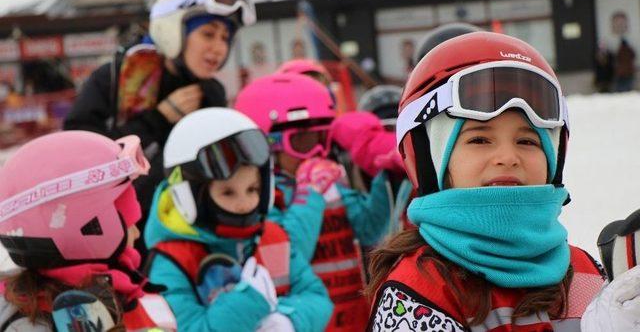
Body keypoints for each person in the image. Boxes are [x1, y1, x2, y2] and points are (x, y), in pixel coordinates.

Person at [366, 32, 605, 331]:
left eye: (528, 141)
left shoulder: (584, 271)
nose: (507, 157)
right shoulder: (420, 290)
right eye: (479, 139)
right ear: (431, 158)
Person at [63, 0, 256, 245]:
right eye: (208, 34)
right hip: (126, 234)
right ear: (173, 30)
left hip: (193, 233)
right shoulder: (115, 79)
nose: (218, 47)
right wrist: (158, 119)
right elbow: (80, 156)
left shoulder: (211, 92)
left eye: (226, 37)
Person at [143, 107, 332, 331]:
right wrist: (249, 302)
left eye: (252, 189)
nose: (244, 203)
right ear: (191, 195)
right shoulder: (172, 260)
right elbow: (187, 327)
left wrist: (289, 321)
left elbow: (317, 298)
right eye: (228, 192)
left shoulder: (271, 237)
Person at [235, 73, 391, 331]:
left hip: (353, 317)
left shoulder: (329, 183)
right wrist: (310, 194)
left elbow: (369, 229)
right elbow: (287, 255)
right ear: (267, 144)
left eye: (322, 139)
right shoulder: (262, 196)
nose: (318, 152)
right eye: (304, 142)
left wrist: (385, 177)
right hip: (307, 320)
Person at [0, 130, 176, 331]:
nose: (136, 232)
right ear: (89, 227)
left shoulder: (126, 290)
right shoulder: (31, 325)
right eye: (129, 222)